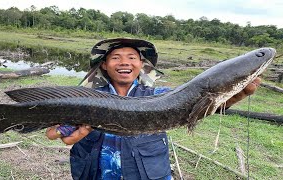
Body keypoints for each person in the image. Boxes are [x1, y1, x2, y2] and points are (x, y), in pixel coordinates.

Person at [46, 38, 261, 180]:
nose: (124, 63)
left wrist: (230, 100)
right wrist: (61, 132)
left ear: (141, 64)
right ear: (103, 65)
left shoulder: (160, 97)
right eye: (116, 57)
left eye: (132, 58)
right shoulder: (85, 98)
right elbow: (54, 132)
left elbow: (191, 107)